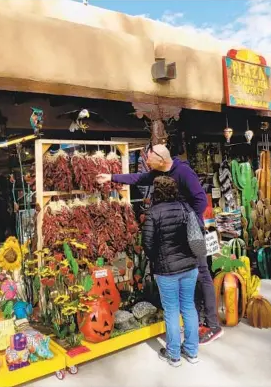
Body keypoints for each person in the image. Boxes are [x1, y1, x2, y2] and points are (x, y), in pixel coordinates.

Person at [96, 144, 223, 345]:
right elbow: (137, 179)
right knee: (190, 274)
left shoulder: (183, 172)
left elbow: (200, 200)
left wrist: (189, 219)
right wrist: (111, 177)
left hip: (192, 231)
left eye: (149, 157)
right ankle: (194, 322)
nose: (146, 160)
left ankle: (213, 325)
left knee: (202, 273)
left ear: (161, 159)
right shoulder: (156, 172)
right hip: (177, 232)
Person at [142, 176, 199, 366]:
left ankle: (174, 355)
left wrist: (156, 258)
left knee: (172, 310)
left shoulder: (153, 213)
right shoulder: (185, 207)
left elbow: (147, 244)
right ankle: (191, 351)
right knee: (189, 306)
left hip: (166, 270)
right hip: (190, 266)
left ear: (156, 192)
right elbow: (197, 233)